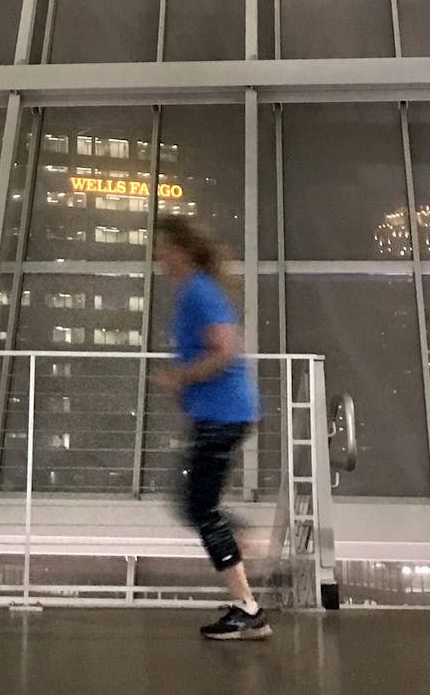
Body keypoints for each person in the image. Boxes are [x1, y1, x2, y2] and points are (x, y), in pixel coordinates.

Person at [152, 216, 270, 641]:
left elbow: (225, 350)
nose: (158, 256)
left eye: (164, 247)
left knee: (200, 507)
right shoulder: (194, 292)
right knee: (194, 504)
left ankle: (247, 607)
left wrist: (180, 378)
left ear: (182, 250)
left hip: (226, 416)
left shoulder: (200, 291)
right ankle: (242, 565)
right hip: (221, 415)